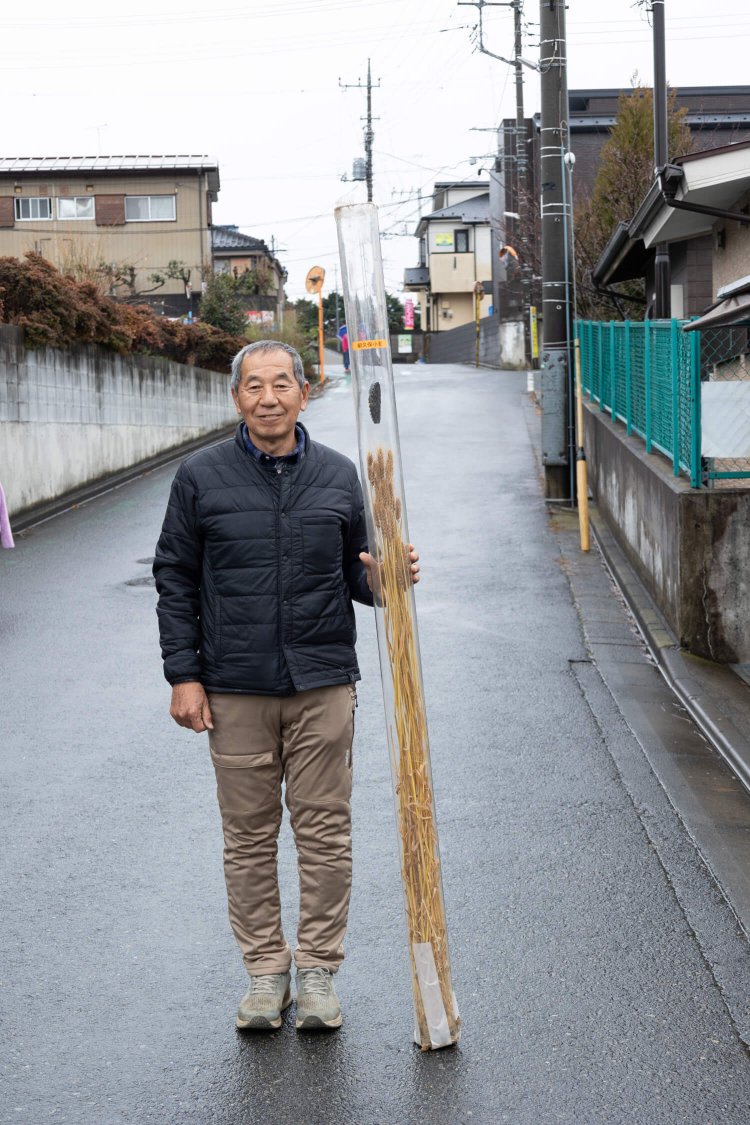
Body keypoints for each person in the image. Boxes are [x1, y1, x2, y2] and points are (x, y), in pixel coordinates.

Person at [153, 340, 419, 1032]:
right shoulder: (200, 476)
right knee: (248, 837)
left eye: (281, 384)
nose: (268, 398)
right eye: (254, 386)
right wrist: (184, 674)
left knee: (325, 833)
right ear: (236, 397)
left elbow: (361, 576)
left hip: (322, 682)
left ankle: (319, 972)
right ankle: (266, 972)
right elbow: (175, 577)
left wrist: (389, 576)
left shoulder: (339, 475)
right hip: (234, 686)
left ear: (304, 392)